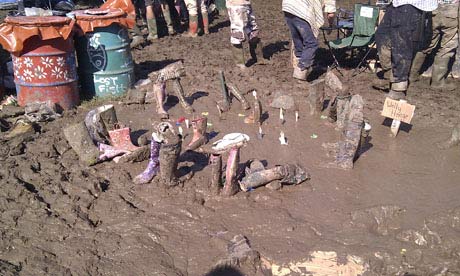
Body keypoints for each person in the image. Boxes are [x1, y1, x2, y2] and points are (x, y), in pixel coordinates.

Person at [375, 0, 438, 100]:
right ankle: (391, 73)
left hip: (411, 5)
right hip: (397, 4)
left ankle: (398, 88)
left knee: (402, 45)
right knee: (381, 35)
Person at [410, 0, 459, 91]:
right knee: (447, 47)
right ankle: (438, 83)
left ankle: (412, 75)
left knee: (427, 44)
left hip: (434, 9)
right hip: (451, 10)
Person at [282, 0, 336, 80]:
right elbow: (331, 14)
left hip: (288, 7)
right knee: (311, 44)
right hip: (302, 10)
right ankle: (301, 72)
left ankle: (297, 67)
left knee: (299, 40)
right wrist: (331, 25)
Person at [226, 0, 264, 68]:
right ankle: (240, 64)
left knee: (253, 30)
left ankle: (259, 58)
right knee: (237, 33)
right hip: (235, 5)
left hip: (246, 4)